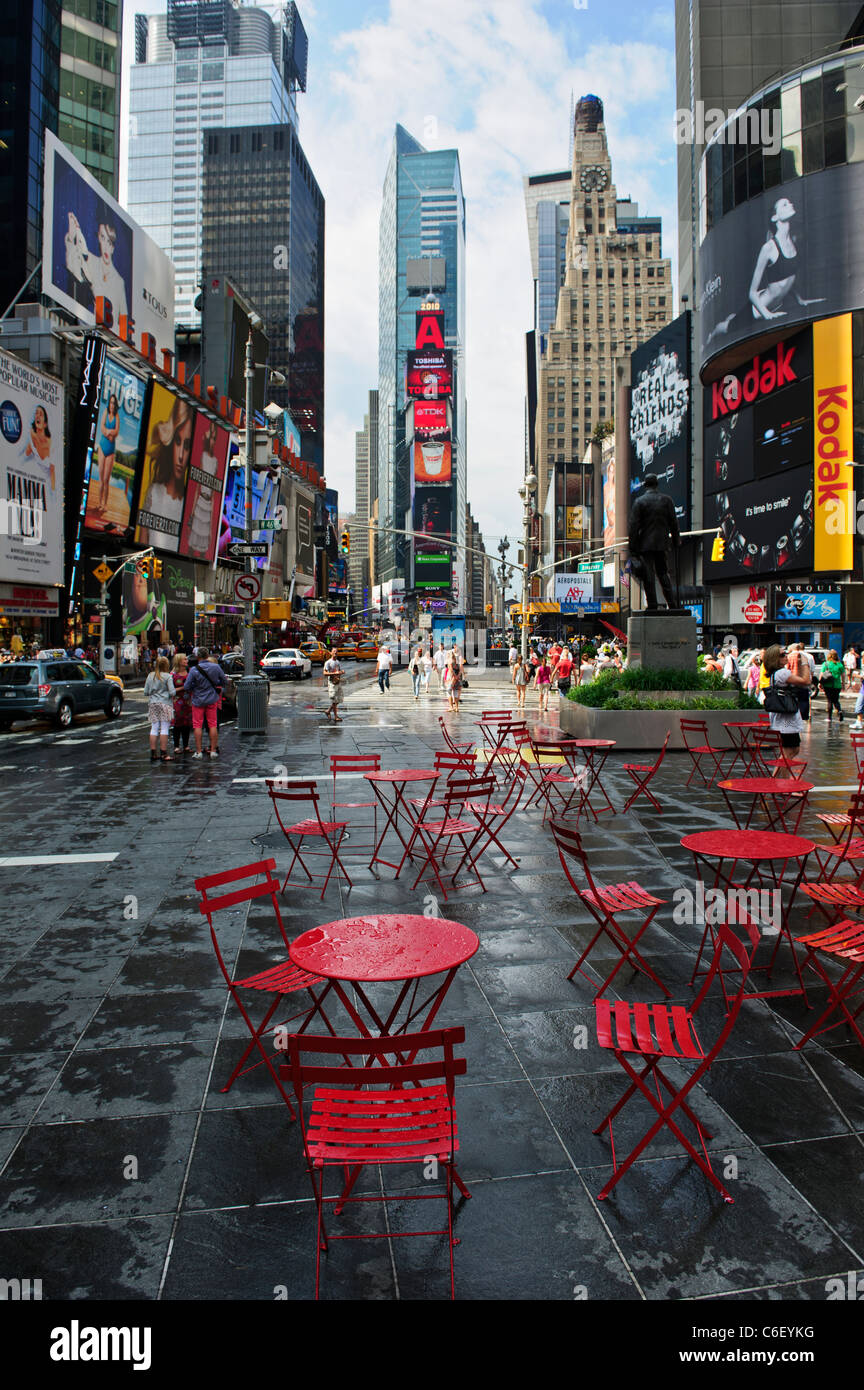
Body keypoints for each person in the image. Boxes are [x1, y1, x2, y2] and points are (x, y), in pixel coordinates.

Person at [138, 397, 193, 551]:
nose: (181, 455)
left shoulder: (190, 505)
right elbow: (141, 548)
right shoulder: (154, 492)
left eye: (187, 445)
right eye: (177, 441)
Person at [628, 473, 680, 610]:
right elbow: (674, 523)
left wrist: (632, 550)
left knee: (648, 575)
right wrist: (676, 541)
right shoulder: (667, 500)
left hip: (645, 545)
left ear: (645, 485)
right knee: (663, 573)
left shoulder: (639, 502)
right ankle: (672, 605)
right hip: (662, 544)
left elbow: (633, 527)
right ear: (657, 484)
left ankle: (652, 605)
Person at [763, 644, 809, 755]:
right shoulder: (782, 673)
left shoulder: (776, 674)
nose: (786, 656)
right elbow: (806, 681)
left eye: (785, 654)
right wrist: (804, 662)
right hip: (787, 721)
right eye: (782, 655)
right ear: (775, 659)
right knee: (789, 752)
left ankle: (777, 773)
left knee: (791, 751)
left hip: (782, 718)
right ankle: (781, 773)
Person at [184, 647, 227, 758]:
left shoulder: (194, 670)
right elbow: (224, 681)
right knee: (212, 724)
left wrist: (195, 687)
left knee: (197, 725)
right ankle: (213, 750)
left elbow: (187, 686)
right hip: (212, 699)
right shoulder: (216, 667)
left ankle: (198, 752)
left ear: (198, 656)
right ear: (208, 656)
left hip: (198, 700)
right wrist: (215, 683)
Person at [93, 393, 120, 516]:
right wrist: (109, 433)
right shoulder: (105, 412)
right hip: (103, 446)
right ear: (109, 403)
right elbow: (102, 427)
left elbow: (117, 431)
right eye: (111, 402)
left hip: (111, 450)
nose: (112, 405)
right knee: (100, 478)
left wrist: (109, 432)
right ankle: (99, 502)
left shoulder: (117, 416)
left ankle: (105, 503)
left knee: (106, 479)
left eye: (114, 403)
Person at [144, 655, 175, 762]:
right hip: (165, 703)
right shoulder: (168, 676)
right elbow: (172, 692)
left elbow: (146, 692)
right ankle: (164, 753)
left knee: (154, 728)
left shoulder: (150, 676)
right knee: (165, 728)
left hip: (153, 704)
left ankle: (153, 753)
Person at [23, 405, 56, 492]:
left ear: (45, 424)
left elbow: (52, 471)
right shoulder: (31, 438)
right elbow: (25, 455)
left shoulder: (51, 443)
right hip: (33, 481)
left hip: (46, 486)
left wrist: (53, 490)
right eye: (36, 413)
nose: (37, 415)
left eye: (41, 414)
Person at [171, 652, 193, 755]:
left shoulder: (190, 673)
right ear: (179, 661)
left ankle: (186, 745)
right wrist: (183, 688)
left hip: (188, 702)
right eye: (184, 659)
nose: (186, 661)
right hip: (177, 702)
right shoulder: (173, 675)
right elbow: (170, 690)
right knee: (177, 724)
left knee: (187, 724)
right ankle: (176, 746)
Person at [787, 643, 812, 723]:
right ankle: (803, 717)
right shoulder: (809, 656)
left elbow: (787, 669)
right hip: (805, 682)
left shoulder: (789, 656)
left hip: (793, 682)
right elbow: (812, 670)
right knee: (804, 700)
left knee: (793, 701)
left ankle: (794, 717)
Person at [820, 649, 845, 724]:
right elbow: (843, 675)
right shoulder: (840, 664)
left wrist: (820, 683)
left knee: (830, 701)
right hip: (837, 685)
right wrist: (843, 683)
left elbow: (821, 674)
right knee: (836, 700)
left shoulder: (826, 664)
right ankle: (839, 711)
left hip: (828, 685)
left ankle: (829, 717)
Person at [323, 651, 344, 722]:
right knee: (334, 699)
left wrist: (341, 672)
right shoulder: (328, 662)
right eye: (334, 652)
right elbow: (325, 673)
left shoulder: (337, 662)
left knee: (339, 699)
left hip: (338, 682)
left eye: (337, 652)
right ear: (331, 653)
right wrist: (334, 673)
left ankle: (328, 711)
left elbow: (339, 670)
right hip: (332, 683)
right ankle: (336, 717)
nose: (335, 653)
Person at [447, 648, 463, 712]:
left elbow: (451, 670)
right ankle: (456, 707)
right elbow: (460, 670)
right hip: (457, 678)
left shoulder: (450, 661)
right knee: (456, 692)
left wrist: (454, 677)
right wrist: (458, 676)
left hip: (452, 678)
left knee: (449, 692)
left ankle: (451, 707)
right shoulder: (457, 661)